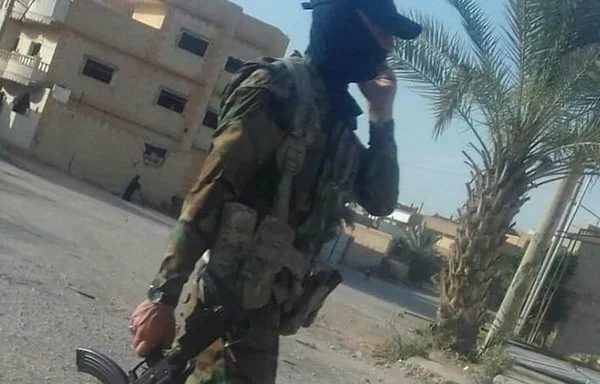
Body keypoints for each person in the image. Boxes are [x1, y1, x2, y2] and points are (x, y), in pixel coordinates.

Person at [129, 0, 422, 383]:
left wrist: (381, 116)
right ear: (343, 20)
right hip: (225, 303)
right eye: (381, 30)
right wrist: (162, 297)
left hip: (265, 311)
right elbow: (211, 190)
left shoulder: (338, 121)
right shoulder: (276, 88)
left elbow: (380, 199)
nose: (387, 46)